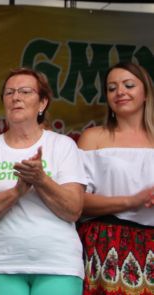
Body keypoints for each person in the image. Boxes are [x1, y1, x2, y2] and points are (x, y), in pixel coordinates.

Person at [0, 67, 85, 295]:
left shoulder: (63, 146)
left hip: (59, 264)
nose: (16, 97)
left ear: (42, 103)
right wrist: (17, 191)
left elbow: (74, 210)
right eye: (9, 92)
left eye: (25, 91)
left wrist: (41, 180)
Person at [77, 61, 154, 295]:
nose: (120, 92)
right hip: (105, 240)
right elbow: (76, 201)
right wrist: (131, 201)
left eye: (128, 85)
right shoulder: (93, 137)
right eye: (112, 88)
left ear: (146, 93)